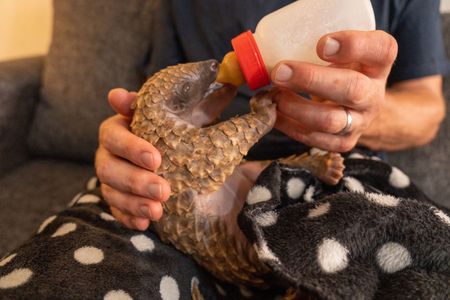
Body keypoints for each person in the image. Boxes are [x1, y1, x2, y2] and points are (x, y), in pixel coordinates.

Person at [95, 0, 449, 230]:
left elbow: (427, 110)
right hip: (196, 188)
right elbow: (158, 98)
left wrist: (360, 114)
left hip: (336, 179)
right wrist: (131, 146)